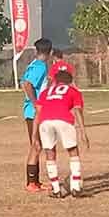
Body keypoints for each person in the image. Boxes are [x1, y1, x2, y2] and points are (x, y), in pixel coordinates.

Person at [33, 69, 89, 198]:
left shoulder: (45, 92)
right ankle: (76, 187)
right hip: (63, 120)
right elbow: (77, 111)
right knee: (73, 151)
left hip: (45, 122)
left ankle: (56, 189)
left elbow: (38, 112)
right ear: (70, 82)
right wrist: (83, 132)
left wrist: (34, 134)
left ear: (55, 81)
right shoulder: (73, 91)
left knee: (50, 153)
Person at [22, 38, 53, 192]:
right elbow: (27, 84)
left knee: (37, 145)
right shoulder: (40, 66)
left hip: (33, 111)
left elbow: (25, 82)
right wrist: (36, 103)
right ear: (50, 52)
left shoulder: (34, 64)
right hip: (34, 112)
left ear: (36, 50)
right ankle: (31, 183)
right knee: (36, 146)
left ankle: (35, 181)